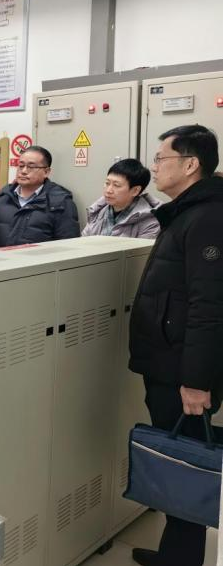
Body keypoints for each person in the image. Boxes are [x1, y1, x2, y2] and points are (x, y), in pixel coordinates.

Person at [129, 125, 223, 566]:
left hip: (181, 371)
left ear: (190, 165)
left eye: (161, 158)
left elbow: (210, 307)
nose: (154, 166)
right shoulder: (187, 212)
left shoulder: (207, 217)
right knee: (177, 460)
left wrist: (196, 381)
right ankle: (176, 555)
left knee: (185, 464)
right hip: (170, 361)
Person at [0, 145, 80, 248]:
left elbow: (68, 246)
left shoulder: (60, 202)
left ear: (46, 172)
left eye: (31, 167)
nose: (23, 171)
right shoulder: (4, 196)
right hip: (3, 259)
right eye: (21, 165)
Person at [82, 158, 160, 239]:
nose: (108, 190)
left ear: (135, 190)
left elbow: (144, 247)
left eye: (116, 185)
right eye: (107, 183)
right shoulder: (97, 211)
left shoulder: (151, 222)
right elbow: (83, 242)